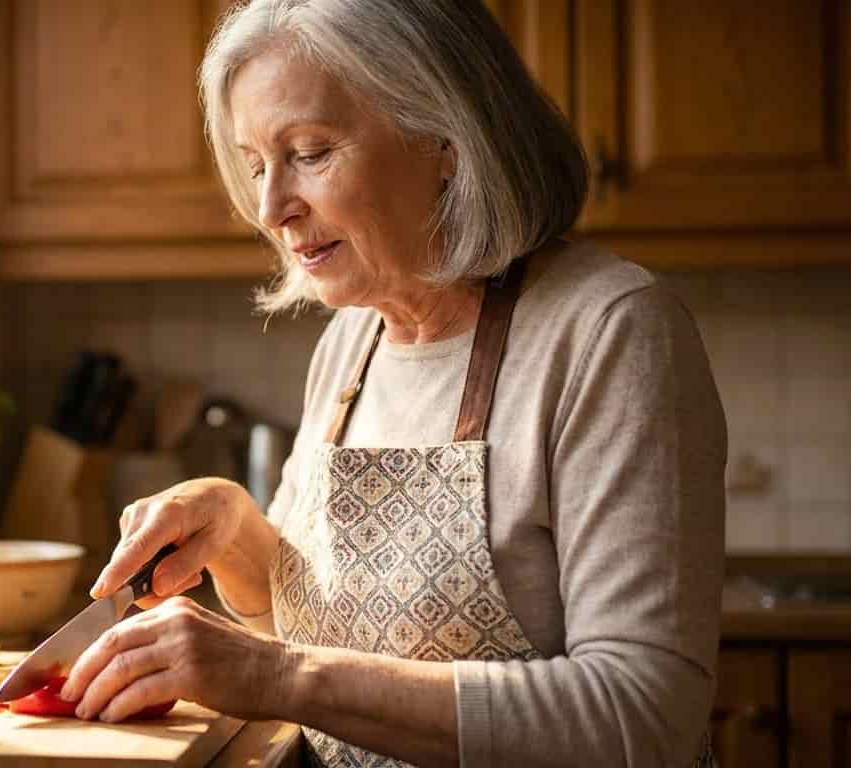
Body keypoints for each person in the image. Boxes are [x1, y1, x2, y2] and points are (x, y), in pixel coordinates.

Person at [57, 2, 726, 766]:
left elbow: (639, 717)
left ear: (446, 138)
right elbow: (327, 637)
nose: (272, 208)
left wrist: (274, 674)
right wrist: (236, 531)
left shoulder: (609, 331)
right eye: (254, 165)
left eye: (309, 152)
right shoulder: (355, 336)